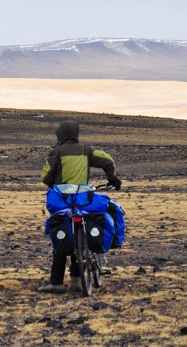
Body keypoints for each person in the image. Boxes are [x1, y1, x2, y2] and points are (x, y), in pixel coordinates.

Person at [38, 120, 122, 293]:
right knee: (80, 235)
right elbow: (108, 160)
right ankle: (76, 280)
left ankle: (56, 281)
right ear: (75, 134)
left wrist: (56, 183)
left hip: (64, 201)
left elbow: (46, 177)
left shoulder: (57, 152)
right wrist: (112, 178)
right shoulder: (86, 151)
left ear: (60, 135)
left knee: (60, 233)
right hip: (84, 200)